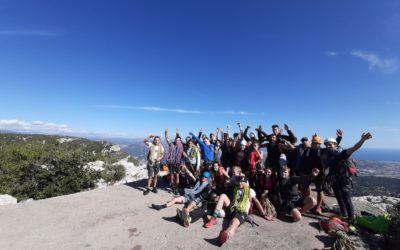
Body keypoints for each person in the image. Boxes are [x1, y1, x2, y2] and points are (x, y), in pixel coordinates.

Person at [326, 132, 372, 222]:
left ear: (335, 145)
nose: (328, 146)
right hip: (334, 180)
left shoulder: (342, 153)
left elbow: (354, 148)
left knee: (346, 199)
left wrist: (362, 140)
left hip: (344, 180)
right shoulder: (328, 154)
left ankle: (351, 219)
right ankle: (344, 214)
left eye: (330, 144)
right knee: (339, 198)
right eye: (327, 145)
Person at [203, 175, 262, 246]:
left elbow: (257, 202)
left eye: (242, 182)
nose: (240, 183)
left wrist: (264, 214)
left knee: (234, 223)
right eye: (239, 182)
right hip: (233, 207)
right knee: (223, 196)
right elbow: (230, 181)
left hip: (241, 211)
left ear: (246, 183)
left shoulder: (250, 190)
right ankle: (213, 218)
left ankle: (225, 235)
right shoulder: (236, 188)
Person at [165, 128, 185, 195]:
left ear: (180, 141)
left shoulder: (181, 146)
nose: (178, 141)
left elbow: (182, 154)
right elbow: (167, 139)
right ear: (175, 140)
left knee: (177, 176)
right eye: (177, 140)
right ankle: (173, 186)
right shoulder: (171, 144)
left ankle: (176, 187)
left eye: (179, 140)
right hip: (171, 162)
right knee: (172, 175)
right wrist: (166, 132)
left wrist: (177, 133)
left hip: (178, 163)